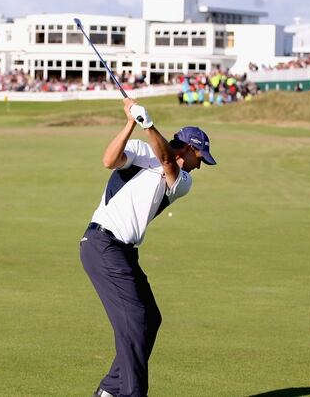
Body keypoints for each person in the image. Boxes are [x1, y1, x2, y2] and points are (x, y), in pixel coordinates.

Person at [81, 98, 216, 397]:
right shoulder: (143, 151)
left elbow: (167, 161)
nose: (200, 165)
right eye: (200, 157)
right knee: (135, 320)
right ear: (188, 149)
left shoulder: (182, 182)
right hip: (103, 244)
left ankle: (110, 390)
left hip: (123, 251)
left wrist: (149, 123)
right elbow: (109, 160)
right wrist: (131, 122)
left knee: (149, 318)